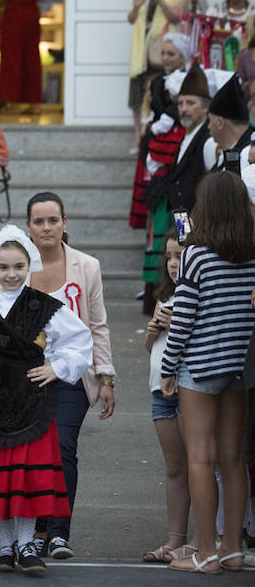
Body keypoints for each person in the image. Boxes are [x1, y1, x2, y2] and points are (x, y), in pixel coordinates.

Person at [0, 224, 93, 573]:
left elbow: (80, 340)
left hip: (32, 403)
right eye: (4, 267)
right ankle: (4, 547)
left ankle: (27, 545)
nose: (11, 274)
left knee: (27, 478)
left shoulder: (43, 306)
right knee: (1, 479)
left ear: (29, 265)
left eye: (18, 266)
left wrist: (56, 368)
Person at [160, 171, 255, 573]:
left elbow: (183, 319)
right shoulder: (252, 251)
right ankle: (232, 549)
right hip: (240, 363)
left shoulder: (196, 254)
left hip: (200, 364)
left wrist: (167, 367)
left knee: (201, 457)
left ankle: (205, 553)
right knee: (233, 459)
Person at [25, 192, 115, 558]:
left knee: (62, 448)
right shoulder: (15, 265)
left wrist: (106, 378)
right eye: (39, 222)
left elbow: (98, 325)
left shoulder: (87, 266)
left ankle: (58, 532)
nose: (46, 228)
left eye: (53, 221)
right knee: (30, 453)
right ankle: (32, 531)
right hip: (27, 376)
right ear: (28, 227)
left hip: (73, 376)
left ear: (65, 224)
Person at [141, 229, 195, 563]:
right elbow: (154, 350)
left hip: (189, 387)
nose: (174, 264)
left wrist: (178, 323)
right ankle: (175, 540)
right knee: (175, 468)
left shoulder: (198, 294)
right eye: (170, 257)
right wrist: (152, 332)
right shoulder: (165, 294)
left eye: (181, 256)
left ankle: (205, 539)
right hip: (159, 388)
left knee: (201, 465)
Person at [144, 64, 211, 313]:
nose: (183, 108)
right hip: (181, 218)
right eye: (181, 103)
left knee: (190, 269)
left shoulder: (208, 139)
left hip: (196, 220)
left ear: (206, 107)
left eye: (190, 103)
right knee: (179, 266)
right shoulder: (186, 136)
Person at [130, 33, 189, 230]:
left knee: (182, 199)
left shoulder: (191, 80)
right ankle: (158, 249)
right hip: (157, 146)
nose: (165, 58)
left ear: (183, 56)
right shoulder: (156, 82)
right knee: (157, 197)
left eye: (171, 54)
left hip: (177, 146)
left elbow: (182, 111)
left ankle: (183, 241)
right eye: (163, 53)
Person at [127, 0, 190, 153]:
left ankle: (162, 136)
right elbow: (131, 19)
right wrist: (135, 6)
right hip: (142, 51)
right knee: (138, 97)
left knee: (161, 96)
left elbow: (177, 17)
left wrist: (160, 0)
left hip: (163, 49)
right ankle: (138, 138)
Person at [204, 74, 252, 172]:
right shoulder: (232, 153)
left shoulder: (247, 156)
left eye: (210, 120)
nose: (208, 127)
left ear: (220, 123)